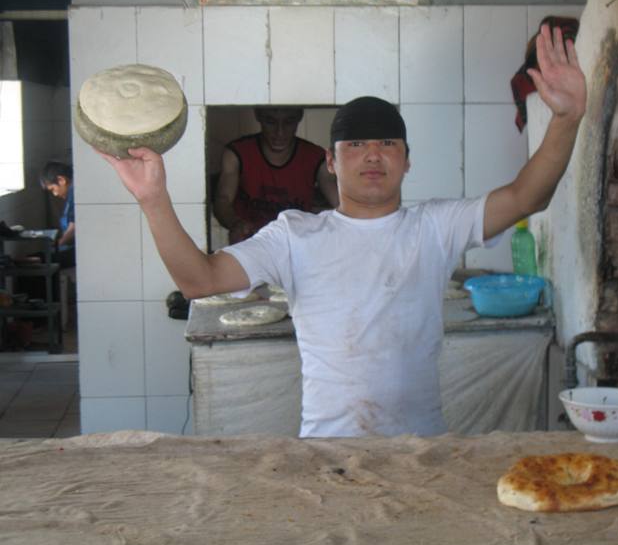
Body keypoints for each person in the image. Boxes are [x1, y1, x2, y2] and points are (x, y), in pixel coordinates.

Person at [100, 25, 586, 438]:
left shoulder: (435, 227)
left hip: (421, 452)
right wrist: (153, 199)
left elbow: (527, 197)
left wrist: (566, 118)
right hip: (326, 454)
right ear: (331, 162)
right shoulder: (294, 235)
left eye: (387, 143)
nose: (372, 155)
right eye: (355, 144)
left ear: (407, 160)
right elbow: (199, 281)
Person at [213, 106, 339, 244]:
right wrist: (236, 224)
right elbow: (223, 200)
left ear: (299, 118)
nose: (280, 132)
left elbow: (340, 203)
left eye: (288, 122)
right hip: (250, 246)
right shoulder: (237, 153)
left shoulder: (316, 158)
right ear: (258, 116)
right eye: (271, 122)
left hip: (297, 248)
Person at [39, 161, 76, 269]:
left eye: (53, 189)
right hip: (71, 248)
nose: (55, 194)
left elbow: (74, 229)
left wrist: (57, 244)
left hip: (78, 251)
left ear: (61, 180)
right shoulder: (70, 195)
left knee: (37, 260)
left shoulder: (75, 194)